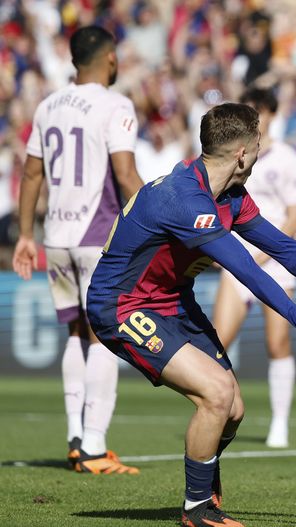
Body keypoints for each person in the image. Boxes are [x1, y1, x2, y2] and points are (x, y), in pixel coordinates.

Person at [86, 102, 296, 527]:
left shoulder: (229, 195)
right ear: (243, 153)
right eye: (259, 143)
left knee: (233, 409)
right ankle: (197, 509)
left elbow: (284, 249)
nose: (262, 150)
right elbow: (249, 272)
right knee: (216, 394)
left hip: (171, 300)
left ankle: (203, 481)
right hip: (122, 305)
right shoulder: (185, 200)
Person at [12, 26, 144, 475]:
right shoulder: (115, 104)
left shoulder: (48, 105)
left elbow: (32, 174)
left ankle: (75, 436)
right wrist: (162, 218)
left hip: (56, 235)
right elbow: (125, 175)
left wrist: (25, 235)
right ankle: (94, 446)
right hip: (97, 234)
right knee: (103, 334)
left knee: (74, 333)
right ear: (110, 58)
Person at [212, 88, 296, 448]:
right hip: (238, 257)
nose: (256, 119)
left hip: (274, 261)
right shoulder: (232, 157)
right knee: (217, 342)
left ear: (272, 114)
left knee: (277, 341)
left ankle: (279, 423)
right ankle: (222, 410)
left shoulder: (288, 159)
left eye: (261, 112)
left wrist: (266, 253)